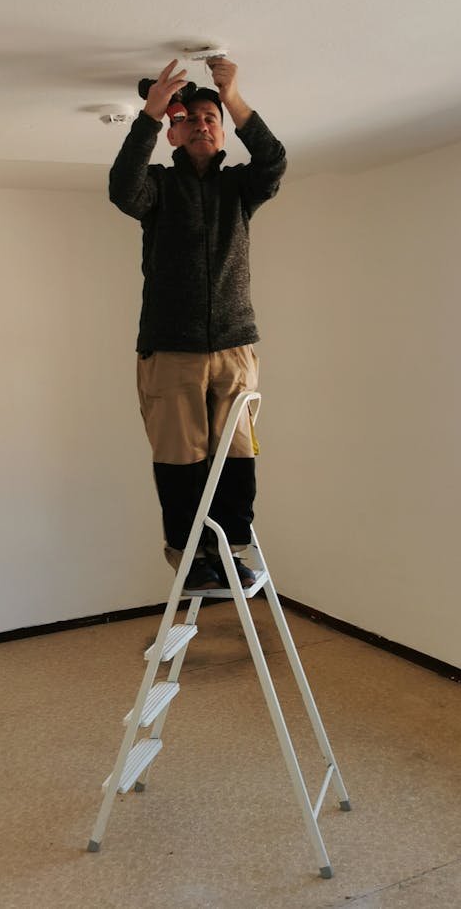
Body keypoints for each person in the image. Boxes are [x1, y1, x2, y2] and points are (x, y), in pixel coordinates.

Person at [109, 57, 286, 589]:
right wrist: (149, 114)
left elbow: (274, 161)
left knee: (235, 454)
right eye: (191, 120)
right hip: (170, 349)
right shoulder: (158, 188)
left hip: (235, 346)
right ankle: (189, 559)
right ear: (173, 133)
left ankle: (232, 549)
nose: (203, 125)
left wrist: (232, 95)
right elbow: (122, 187)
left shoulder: (240, 188)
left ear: (223, 128)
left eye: (212, 118)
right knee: (180, 459)